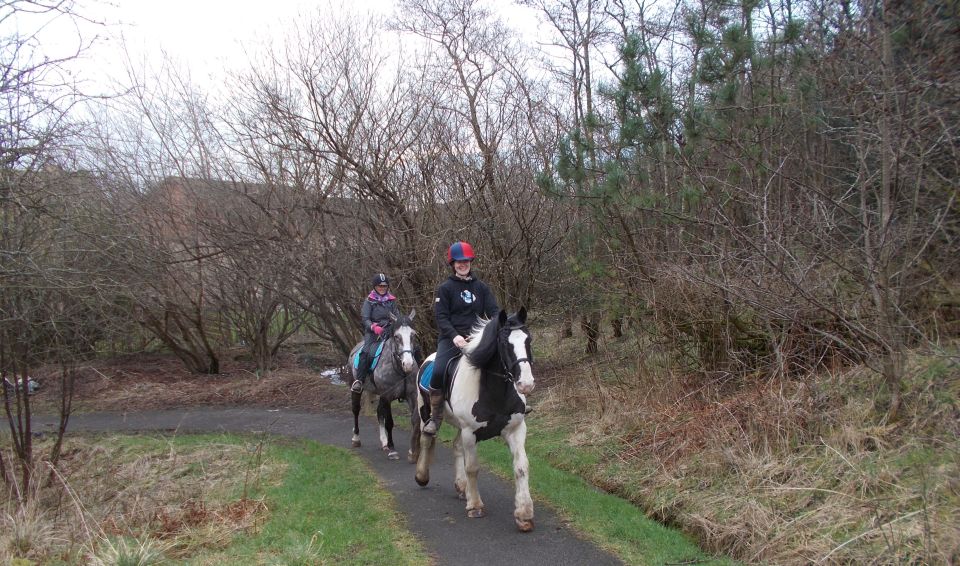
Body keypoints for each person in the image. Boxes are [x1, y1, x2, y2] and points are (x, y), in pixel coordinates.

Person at [423, 241, 499, 436]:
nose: (462, 264)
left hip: (477, 338)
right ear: (452, 264)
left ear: (470, 262)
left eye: (465, 261)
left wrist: (500, 326)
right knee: (438, 370)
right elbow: (441, 317)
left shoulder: (481, 287)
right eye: (458, 262)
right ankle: (436, 417)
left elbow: (493, 311)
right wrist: (455, 336)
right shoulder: (445, 288)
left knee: (502, 362)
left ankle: (509, 406)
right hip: (451, 339)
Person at [352, 272, 400, 393]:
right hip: (373, 332)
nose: (382, 288)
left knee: (407, 347)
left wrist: (398, 325)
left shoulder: (391, 300)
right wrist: (373, 327)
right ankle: (359, 380)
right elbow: (365, 318)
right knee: (366, 352)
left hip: (389, 330)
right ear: (375, 287)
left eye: (384, 286)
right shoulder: (369, 301)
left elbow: (397, 316)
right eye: (380, 286)